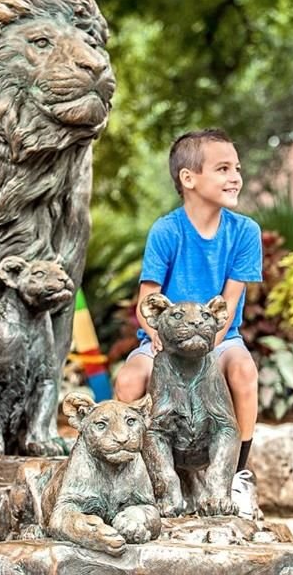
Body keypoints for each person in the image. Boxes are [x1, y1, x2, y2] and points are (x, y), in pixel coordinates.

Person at [113, 128, 263, 519]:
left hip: (218, 338)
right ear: (188, 178)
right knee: (128, 381)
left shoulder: (245, 232)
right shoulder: (167, 230)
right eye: (223, 168)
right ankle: (133, 476)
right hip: (168, 339)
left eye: (237, 168)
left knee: (244, 371)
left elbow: (228, 305)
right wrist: (162, 341)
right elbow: (148, 298)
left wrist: (201, 345)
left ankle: (237, 474)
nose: (235, 177)